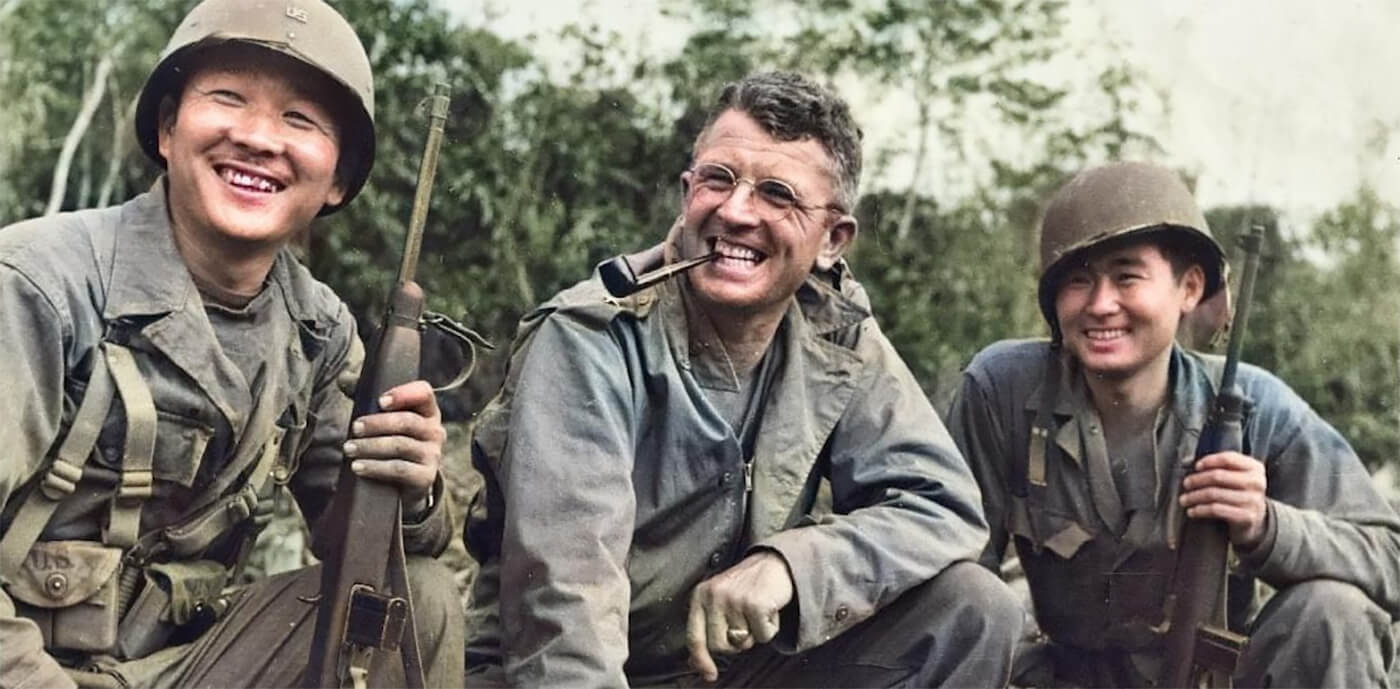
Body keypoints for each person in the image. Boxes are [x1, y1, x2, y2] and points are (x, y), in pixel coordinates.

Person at [462, 71, 1020, 688]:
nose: (734, 211)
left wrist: (793, 565)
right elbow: (563, 616)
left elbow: (943, 507)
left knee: (973, 609)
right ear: (687, 193)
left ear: (833, 240)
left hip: (723, 670)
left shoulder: (835, 335)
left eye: (777, 194)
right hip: (570, 672)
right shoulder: (591, 337)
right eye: (718, 179)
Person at [0, 1, 463, 687]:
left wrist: (411, 487)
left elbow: (363, 545)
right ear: (167, 129)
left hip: (178, 663)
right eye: (227, 98)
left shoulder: (318, 333)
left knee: (412, 600)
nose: (257, 137)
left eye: (299, 119)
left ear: (338, 178)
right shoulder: (39, 285)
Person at [947, 161, 1400, 687]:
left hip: (1214, 679)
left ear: (1188, 288)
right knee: (963, 594)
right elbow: (953, 566)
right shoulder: (1003, 389)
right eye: (1078, 280)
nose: (1101, 304)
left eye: (1127, 276)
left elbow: (1390, 558)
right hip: (1061, 678)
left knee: (1332, 611)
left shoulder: (1256, 406)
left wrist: (1267, 526)